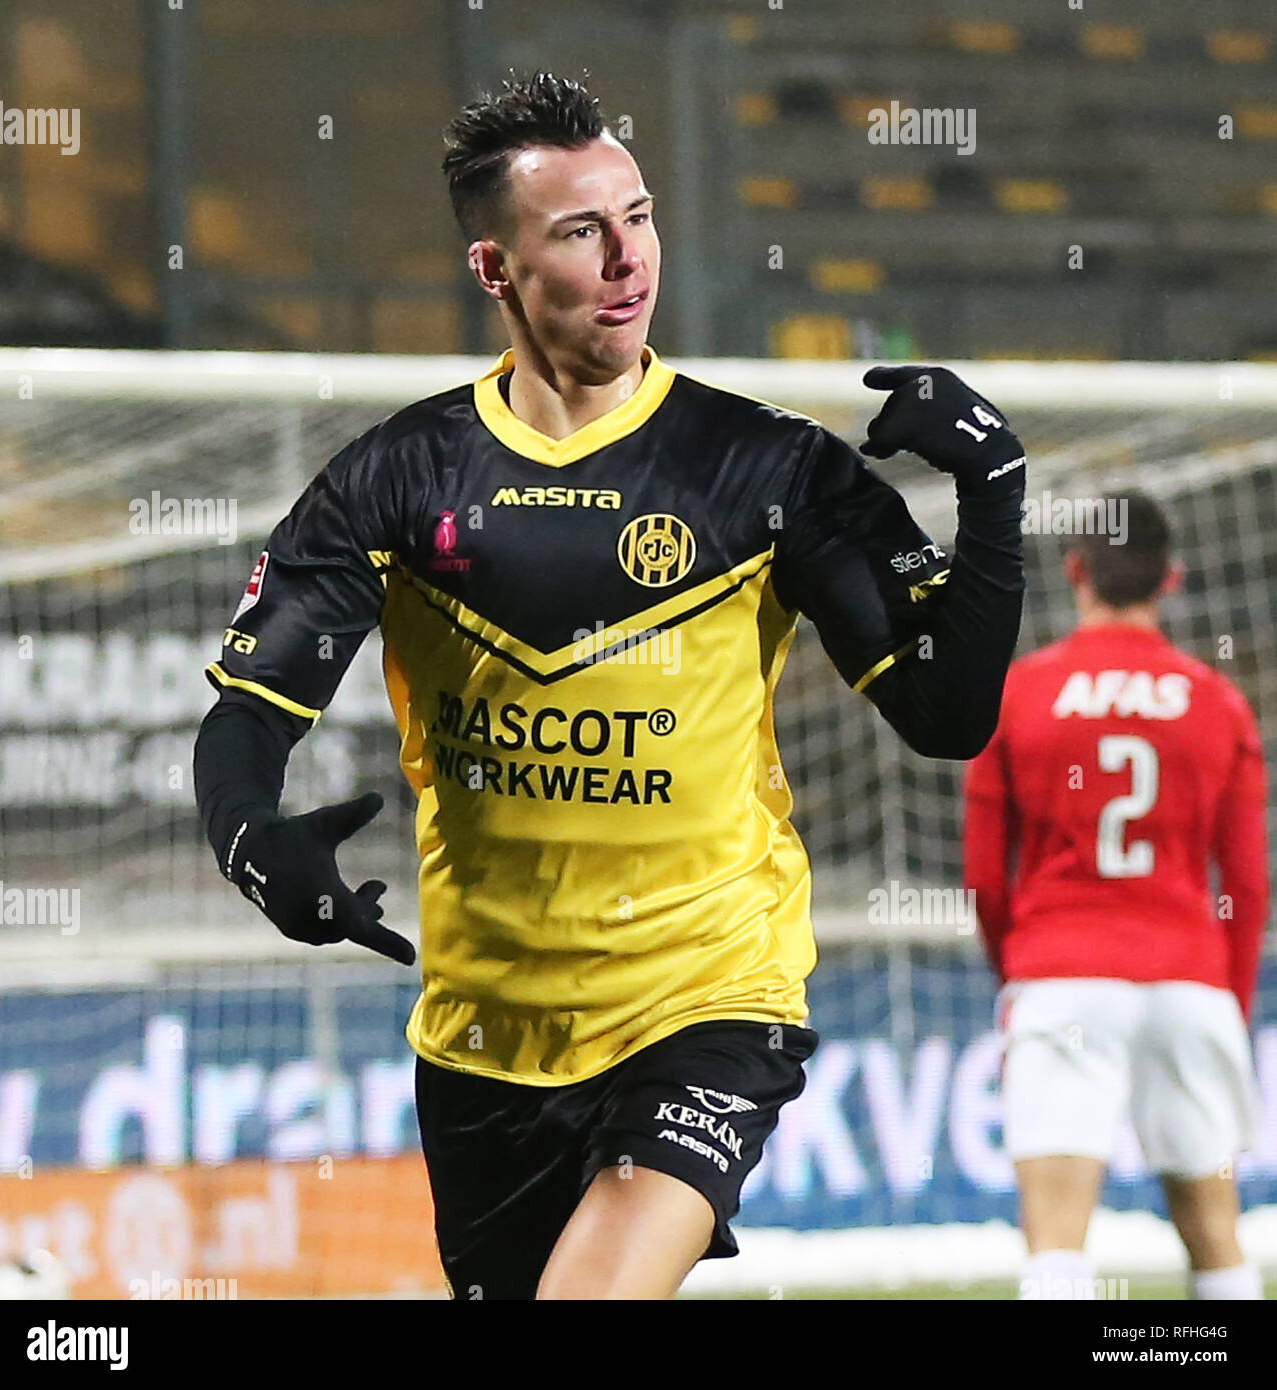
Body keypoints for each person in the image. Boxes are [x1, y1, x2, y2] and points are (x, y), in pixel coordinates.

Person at [194, 72, 1027, 1300]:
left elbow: (948, 717)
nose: (628, 257)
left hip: (707, 993)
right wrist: (254, 837)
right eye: (581, 231)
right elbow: (248, 716)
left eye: (636, 216)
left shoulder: (766, 467)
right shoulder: (396, 476)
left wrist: (993, 496)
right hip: (484, 1032)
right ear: (495, 270)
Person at [964, 491, 1268, 1300]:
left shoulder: (1021, 693)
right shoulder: (1218, 702)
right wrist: (1225, 999)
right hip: (1190, 979)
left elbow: (985, 878)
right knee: (1217, 1240)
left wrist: (1020, 971)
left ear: (1076, 571)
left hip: (1063, 976)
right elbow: (1245, 882)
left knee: (1057, 1250)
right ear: (1171, 578)